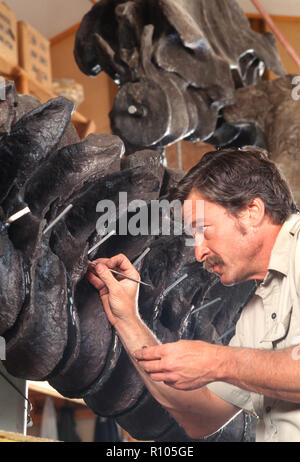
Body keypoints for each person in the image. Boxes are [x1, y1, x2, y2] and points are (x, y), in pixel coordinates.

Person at [86, 147, 300, 442]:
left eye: (204, 230)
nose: (198, 252)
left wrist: (217, 362)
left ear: (252, 212)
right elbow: (201, 417)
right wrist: (127, 319)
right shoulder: (256, 313)